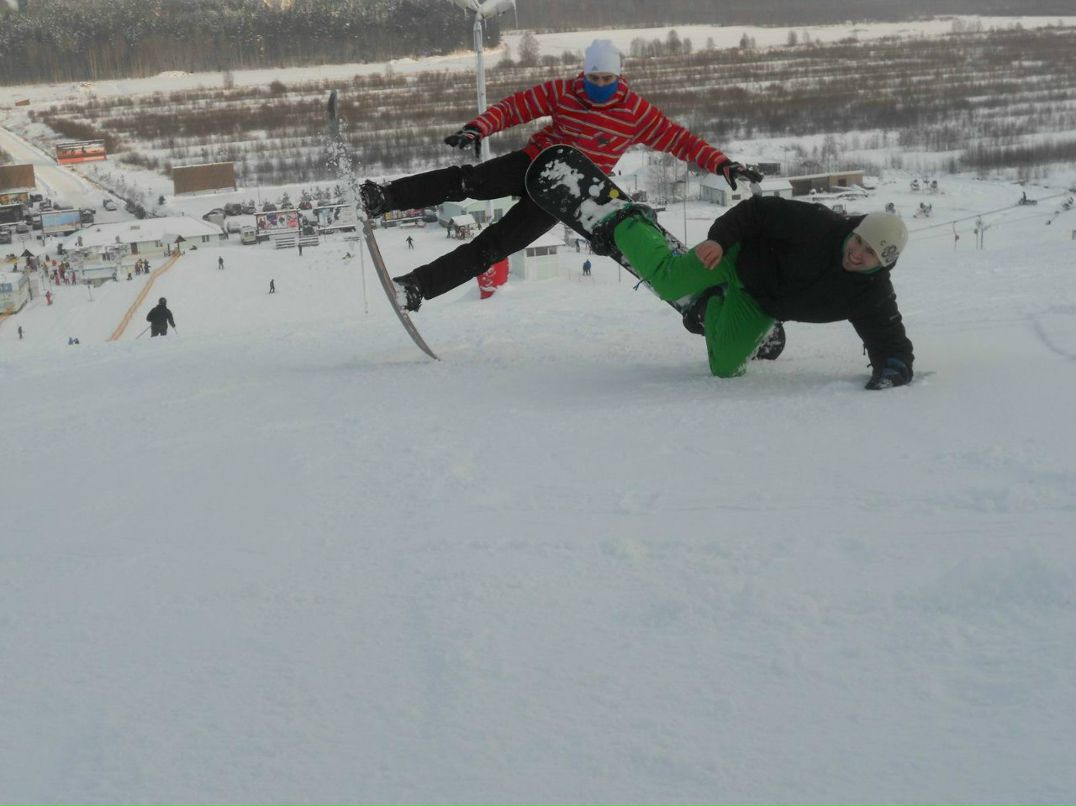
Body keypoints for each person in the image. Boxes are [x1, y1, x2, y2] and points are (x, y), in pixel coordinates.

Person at [360, 38, 760, 313]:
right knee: (468, 183)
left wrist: (722, 164)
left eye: (607, 79)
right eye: (594, 78)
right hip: (534, 163)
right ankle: (383, 198)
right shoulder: (565, 91)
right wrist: (479, 127)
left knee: (491, 248)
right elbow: (516, 106)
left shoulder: (635, 112)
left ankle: (415, 288)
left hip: (568, 195)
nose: (599, 86)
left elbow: (680, 140)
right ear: (584, 74)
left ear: (619, 77)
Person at [587, 196, 914, 389]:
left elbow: (891, 342)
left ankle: (709, 304)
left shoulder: (871, 294)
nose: (857, 252)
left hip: (760, 304)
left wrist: (893, 369)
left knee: (725, 369)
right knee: (668, 282)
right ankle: (626, 221)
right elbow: (756, 210)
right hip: (734, 258)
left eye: (869, 252)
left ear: (883, 264)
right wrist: (720, 240)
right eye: (858, 240)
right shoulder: (819, 225)